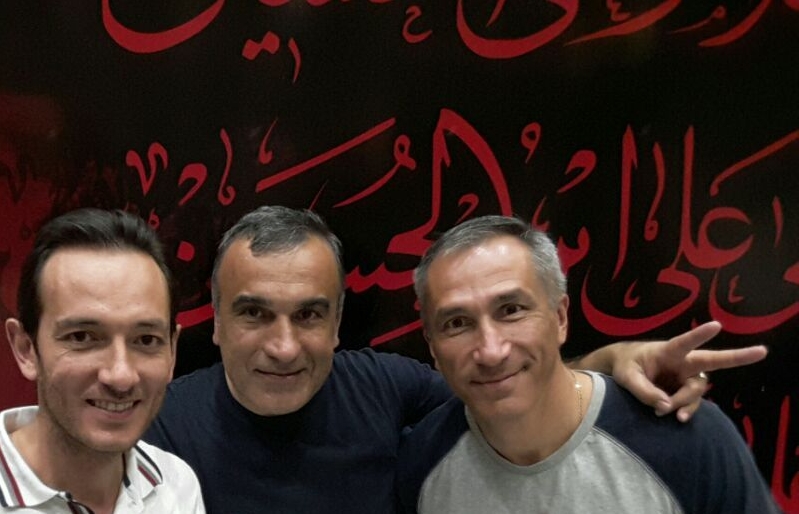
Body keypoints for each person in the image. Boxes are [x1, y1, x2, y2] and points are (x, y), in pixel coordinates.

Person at [144, 205, 769, 514]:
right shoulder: (158, 429)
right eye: (254, 314)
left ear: (336, 324)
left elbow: (507, 389)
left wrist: (607, 362)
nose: (283, 346)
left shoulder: (390, 397)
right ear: (214, 321)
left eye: (308, 315)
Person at [396, 215, 781, 513]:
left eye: (511, 310)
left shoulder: (687, 440)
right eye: (457, 323)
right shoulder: (424, 461)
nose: (491, 351)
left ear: (560, 317)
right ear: (433, 348)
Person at [2, 209, 205, 513]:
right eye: (82, 337)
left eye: (146, 340)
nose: (121, 376)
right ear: (26, 349)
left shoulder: (175, 485)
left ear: (172, 350)